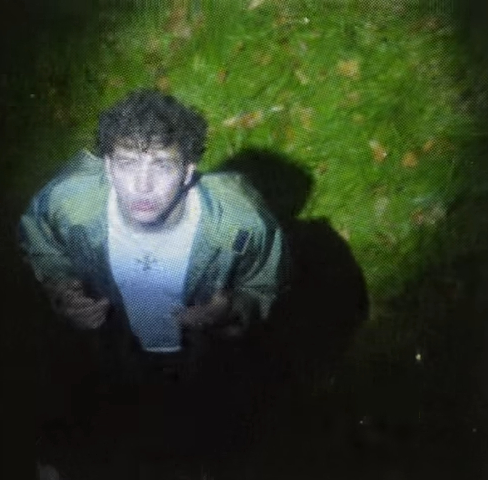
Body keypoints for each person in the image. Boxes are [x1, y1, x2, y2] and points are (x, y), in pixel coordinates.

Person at [17, 89, 289, 477]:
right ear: (108, 167)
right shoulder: (67, 204)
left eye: (162, 165)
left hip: (195, 359)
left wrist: (233, 311)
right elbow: (42, 240)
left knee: (193, 438)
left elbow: (262, 283)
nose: (142, 186)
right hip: (109, 348)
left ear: (189, 169)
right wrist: (61, 288)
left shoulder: (240, 224)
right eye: (127, 164)